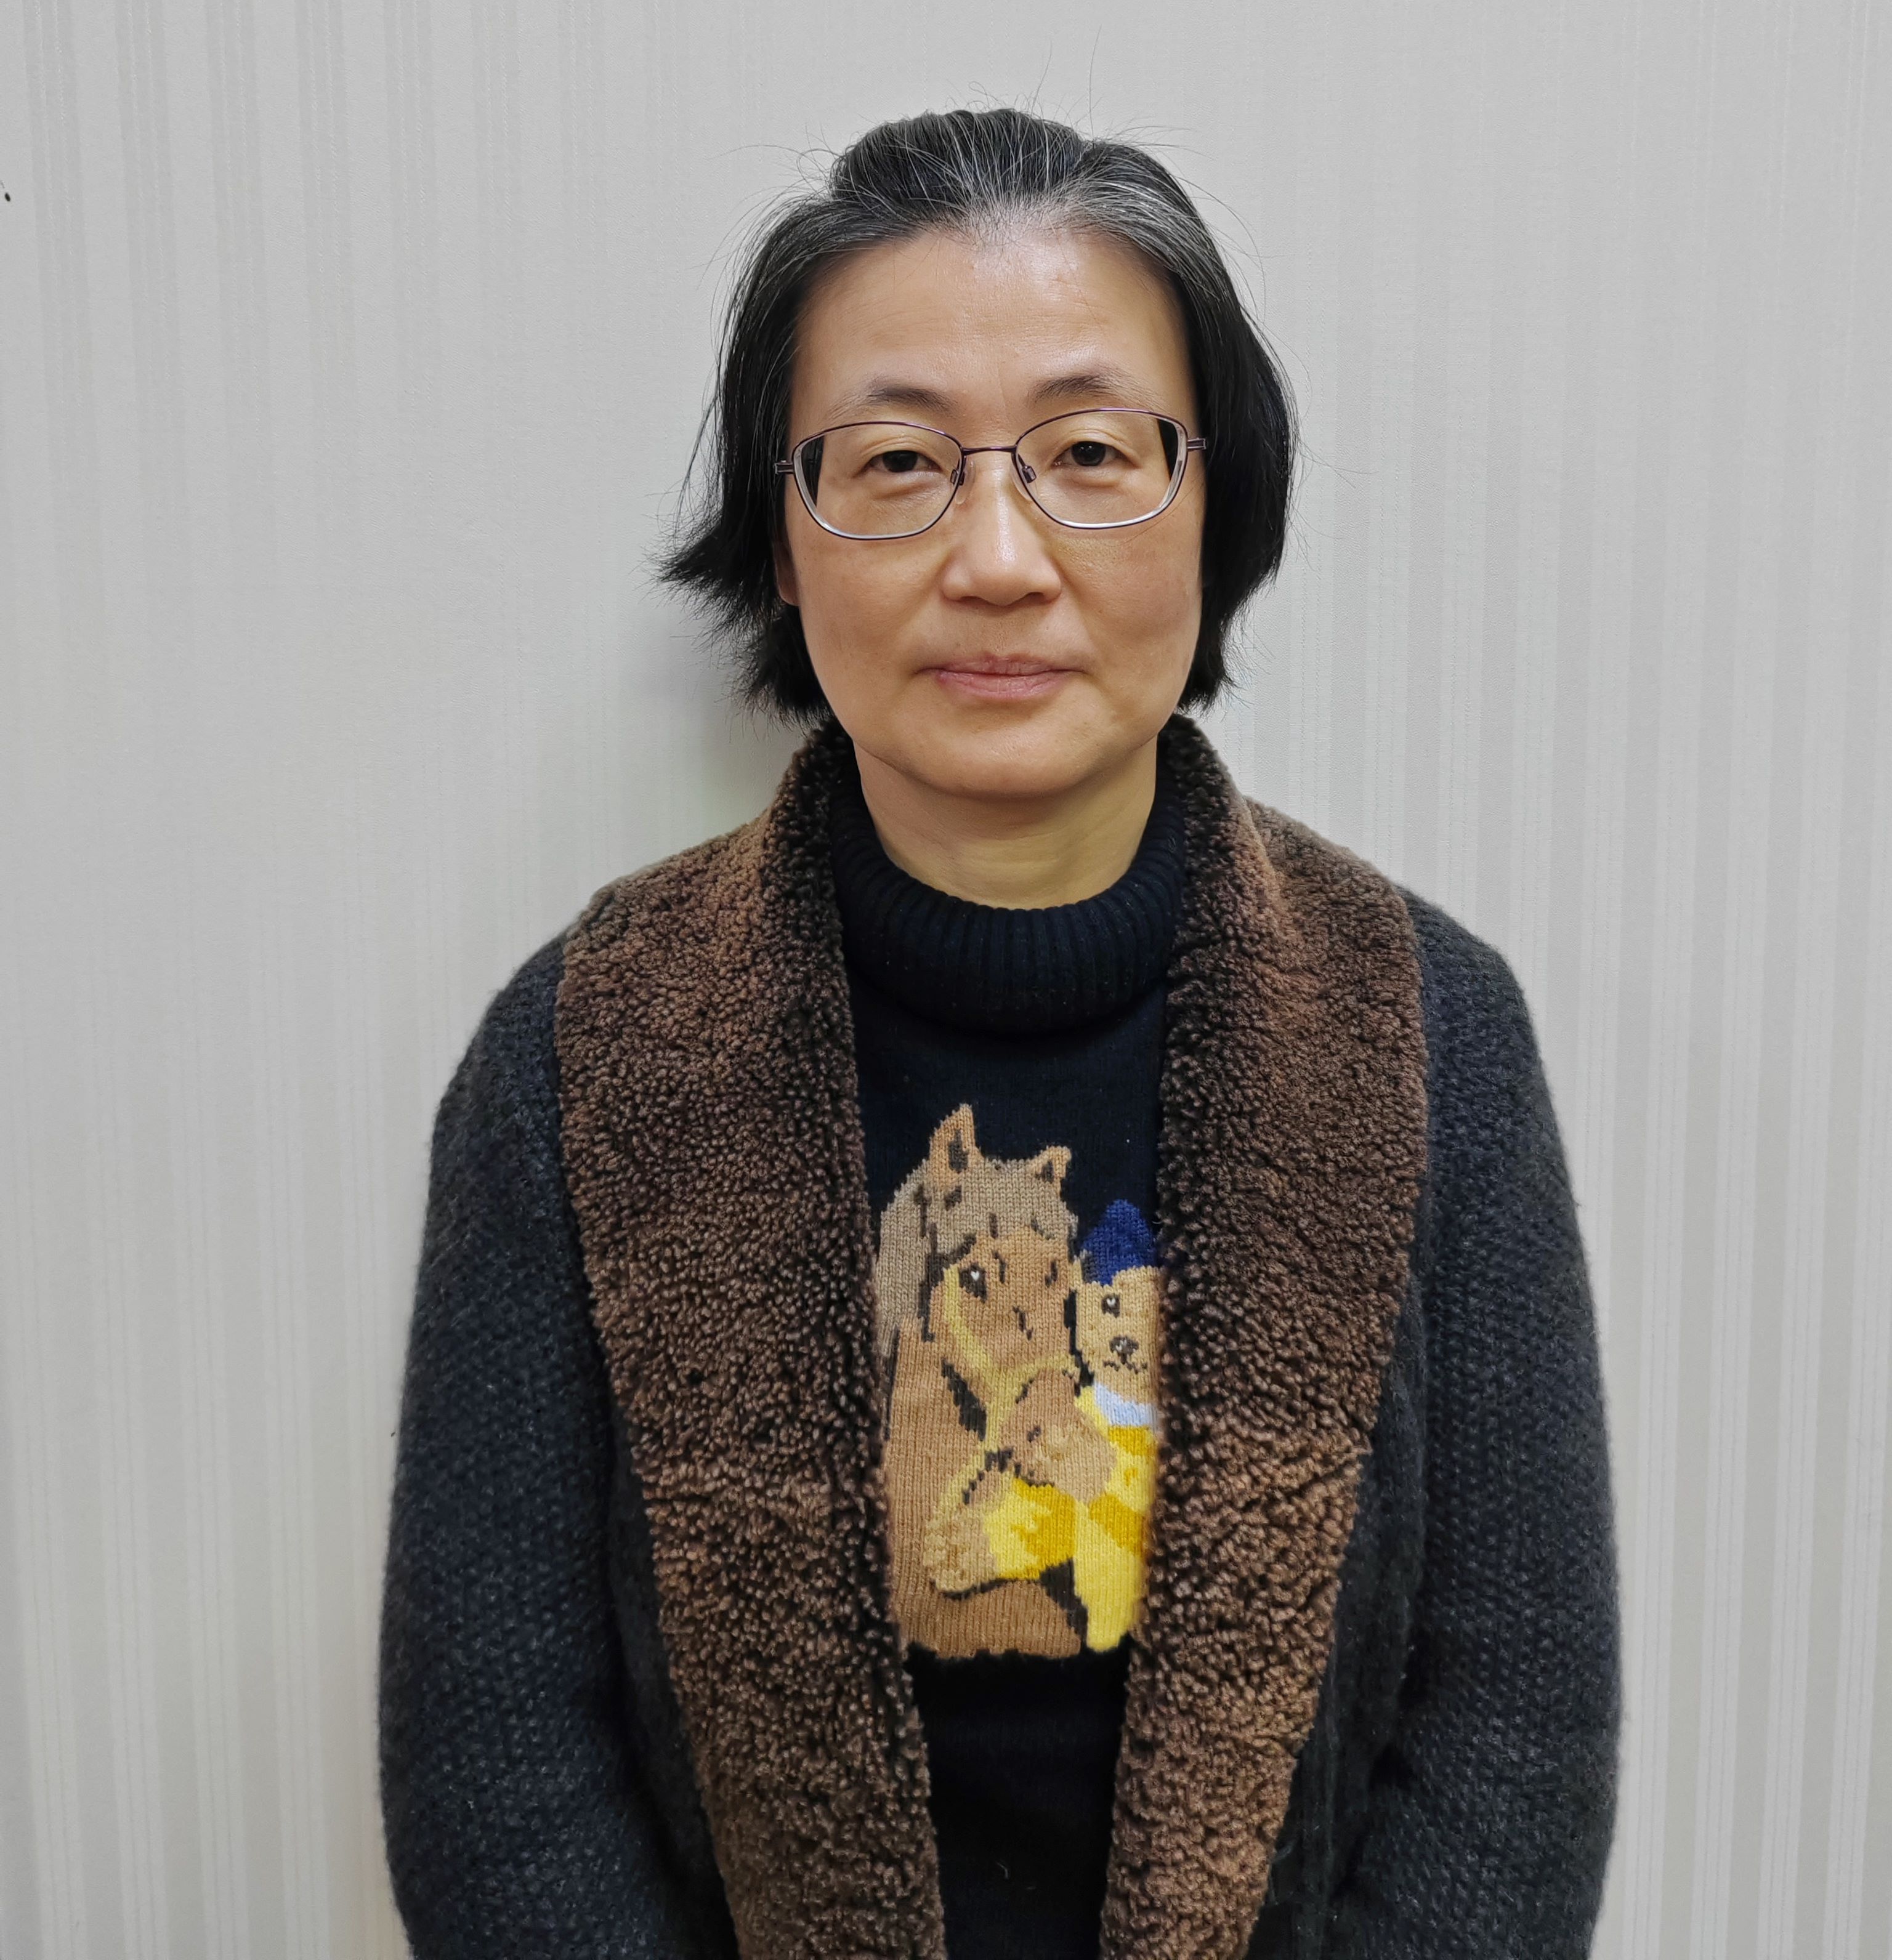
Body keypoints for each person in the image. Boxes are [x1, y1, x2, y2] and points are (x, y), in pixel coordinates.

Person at [379, 107, 1619, 1960]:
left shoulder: (1431, 1034)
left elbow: (1513, 1730)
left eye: (1090, 453)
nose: (997, 555)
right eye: (894, 462)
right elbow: (496, 1754)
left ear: (1215, 509)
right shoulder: (585, 1055)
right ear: (784, 545)